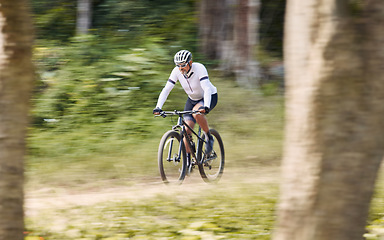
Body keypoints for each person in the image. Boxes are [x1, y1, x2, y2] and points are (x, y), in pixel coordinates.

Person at [153, 50, 218, 157]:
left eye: (183, 65)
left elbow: (206, 88)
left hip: (209, 96)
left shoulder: (199, 68)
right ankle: (187, 163)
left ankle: (208, 137)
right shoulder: (176, 71)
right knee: (186, 130)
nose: (180, 68)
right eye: (178, 65)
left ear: (190, 63)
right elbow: (166, 89)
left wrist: (206, 106)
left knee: (196, 113)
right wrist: (158, 107)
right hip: (192, 99)